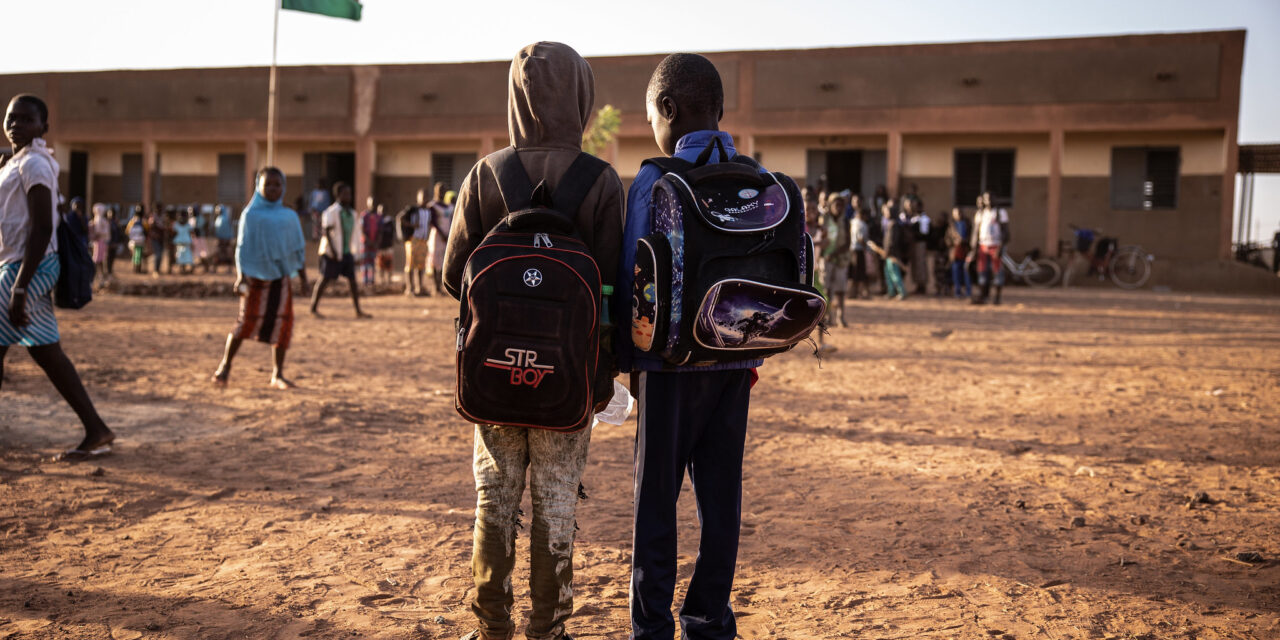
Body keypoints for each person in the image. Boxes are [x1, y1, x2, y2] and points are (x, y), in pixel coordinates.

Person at [440, 41, 624, 640]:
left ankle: (492, 626)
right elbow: (617, 288)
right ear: (580, 95)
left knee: (494, 497)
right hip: (571, 380)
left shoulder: (486, 174)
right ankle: (548, 630)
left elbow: (450, 276)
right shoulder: (600, 181)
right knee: (556, 501)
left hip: (493, 372)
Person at [615, 52, 773, 640]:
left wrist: (624, 364)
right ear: (721, 111)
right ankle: (709, 620)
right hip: (736, 362)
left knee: (655, 502)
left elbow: (636, 276)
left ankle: (651, 627)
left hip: (667, 367)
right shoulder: (756, 177)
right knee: (720, 499)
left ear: (667, 109)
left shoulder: (655, 181)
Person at [0, 94, 114, 461]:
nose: (16, 124)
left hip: (26, 265)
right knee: (46, 351)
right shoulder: (17, 162)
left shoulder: (34, 163)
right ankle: (96, 429)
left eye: (26, 119)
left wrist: (20, 286)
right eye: (11, 118)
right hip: (20, 263)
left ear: (43, 127)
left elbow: (43, 224)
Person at [211, 167, 309, 390]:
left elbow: (297, 249)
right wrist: (240, 277)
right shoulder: (250, 215)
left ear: (283, 188)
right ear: (259, 187)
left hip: (281, 278)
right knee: (245, 322)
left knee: (283, 324)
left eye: (278, 185)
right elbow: (242, 248)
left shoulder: (289, 217)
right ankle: (225, 366)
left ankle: (278, 373)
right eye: (268, 185)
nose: (273, 189)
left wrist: (303, 278)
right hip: (255, 278)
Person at [309, 181, 370, 318]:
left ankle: (358, 310)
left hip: (346, 252)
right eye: (345, 194)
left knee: (353, 282)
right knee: (324, 279)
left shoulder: (352, 214)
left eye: (349, 194)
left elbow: (355, 235)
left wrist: (357, 254)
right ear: (338, 195)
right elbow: (327, 232)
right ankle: (313, 308)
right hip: (332, 253)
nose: (348, 196)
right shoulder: (331, 212)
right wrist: (334, 251)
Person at [968, 191, 1010, 305]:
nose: (989, 201)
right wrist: (973, 248)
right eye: (987, 199)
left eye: (991, 198)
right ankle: (983, 296)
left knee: (997, 271)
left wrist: (1001, 247)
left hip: (995, 245)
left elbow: (1005, 231)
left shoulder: (1000, 213)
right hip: (983, 245)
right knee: (982, 271)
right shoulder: (980, 213)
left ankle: (997, 297)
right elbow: (975, 232)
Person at [818, 194, 851, 327]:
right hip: (825, 259)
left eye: (841, 205)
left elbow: (848, 243)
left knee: (841, 290)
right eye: (836, 204)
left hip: (841, 259)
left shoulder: (845, 221)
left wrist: (835, 253)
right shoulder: (824, 220)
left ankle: (840, 317)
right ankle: (827, 317)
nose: (838, 207)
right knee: (827, 289)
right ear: (830, 206)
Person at [871, 201, 907, 300]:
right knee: (888, 273)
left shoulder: (894, 225)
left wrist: (888, 252)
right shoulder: (889, 224)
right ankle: (891, 292)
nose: (885, 213)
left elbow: (892, 241)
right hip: (887, 253)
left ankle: (902, 292)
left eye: (887, 211)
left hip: (892, 254)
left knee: (894, 274)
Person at [426, 183, 451, 296]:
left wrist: (448, 235)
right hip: (437, 237)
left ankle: (440, 287)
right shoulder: (432, 206)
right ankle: (435, 287)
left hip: (447, 237)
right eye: (440, 190)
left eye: (444, 190)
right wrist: (442, 234)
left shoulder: (449, 206)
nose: (442, 192)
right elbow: (433, 222)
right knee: (435, 262)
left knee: (444, 262)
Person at [945, 207, 972, 298]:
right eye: (956, 213)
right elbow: (947, 239)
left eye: (960, 212)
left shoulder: (967, 224)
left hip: (965, 251)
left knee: (966, 271)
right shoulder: (951, 226)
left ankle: (968, 292)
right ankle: (958, 292)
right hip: (955, 253)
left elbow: (972, 237)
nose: (958, 214)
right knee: (956, 273)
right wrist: (954, 242)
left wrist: (964, 241)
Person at [358, 196, 380, 288]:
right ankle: (365, 280)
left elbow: (380, 230)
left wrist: (376, 242)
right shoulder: (364, 215)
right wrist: (368, 240)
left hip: (374, 243)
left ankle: (372, 280)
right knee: (365, 262)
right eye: (371, 202)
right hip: (365, 243)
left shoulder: (378, 216)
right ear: (368, 203)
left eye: (374, 202)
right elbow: (362, 229)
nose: (373, 204)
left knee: (373, 262)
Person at [850, 208, 871, 300]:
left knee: (854, 273)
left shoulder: (852, 222)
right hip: (859, 250)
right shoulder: (862, 224)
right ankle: (859, 293)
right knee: (859, 273)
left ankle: (853, 293)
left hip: (852, 250)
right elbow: (860, 238)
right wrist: (866, 248)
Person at [88, 203, 111, 284]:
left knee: (98, 260)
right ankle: (99, 277)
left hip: (100, 242)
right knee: (98, 259)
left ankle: (99, 277)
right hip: (100, 242)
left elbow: (98, 232)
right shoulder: (100, 219)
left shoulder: (99, 219)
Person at [376, 204, 396, 286]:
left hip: (388, 246)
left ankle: (389, 280)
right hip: (380, 246)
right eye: (380, 211)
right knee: (380, 265)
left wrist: (393, 241)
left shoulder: (390, 220)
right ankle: (382, 281)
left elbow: (393, 232)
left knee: (389, 264)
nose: (381, 212)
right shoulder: (377, 221)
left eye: (383, 210)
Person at [213, 204, 235, 274]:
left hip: (227, 240)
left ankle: (230, 269)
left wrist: (230, 238)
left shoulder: (226, 219)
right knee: (218, 254)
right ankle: (215, 269)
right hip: (220, 240)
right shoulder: (218, 219)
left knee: (228, 254)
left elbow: (230, 230)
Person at [172, 210, 194, 274]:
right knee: (180, 256)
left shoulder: (188, 225)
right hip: (179, 243)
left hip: (187, 243)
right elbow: (173, 233)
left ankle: (186, 269)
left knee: (187, 257)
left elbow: (191, 233)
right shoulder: (176, 225)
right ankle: (182, 269)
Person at [126, 205, 146, 273]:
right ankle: (137, 269)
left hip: (133, 241)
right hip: (140, 241)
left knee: (135, 254)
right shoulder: (143, 221)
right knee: (139, 254)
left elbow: (127, 231)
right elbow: (147, 229)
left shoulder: (131, 221)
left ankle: (135, 268)